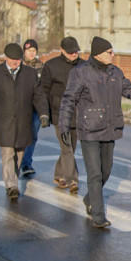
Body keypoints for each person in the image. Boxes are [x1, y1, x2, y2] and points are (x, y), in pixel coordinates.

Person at [59, 36, 131, 229]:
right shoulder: (81, 73)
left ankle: (90, 198)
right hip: (89, 130)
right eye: (109, 52)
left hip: (110, 129)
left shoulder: (115, 72)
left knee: (106, 171)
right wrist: (64, 126)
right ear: (98, 54)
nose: (113, 55)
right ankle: (98, 215)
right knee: (94, 173)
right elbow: (68, 99)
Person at [0, 43, 50, 200]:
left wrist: (44, 114)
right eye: (12, 59)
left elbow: (38, 95)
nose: (16, 62)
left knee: (19, 153)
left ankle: (13, 178)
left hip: (23, 120)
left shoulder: (30, 73)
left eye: (18, 59)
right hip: (4, 121)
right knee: (8, 153)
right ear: (6, 58)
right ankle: (11, 185)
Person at [41, 37, 83, 193]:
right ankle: (73, 179)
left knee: (71, 147)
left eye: (76, 51)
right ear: (62, 50)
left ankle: (59, 174)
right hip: (59, 113)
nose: (74, 54)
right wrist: (44, 113)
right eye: (70, 52)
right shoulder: (51, 66)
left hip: (78, 113)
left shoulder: (84, 66)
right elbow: (44, 90)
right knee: (67, 148)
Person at [19, 38, 44, 178]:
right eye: (29, 50)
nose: (31, 53)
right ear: (24, 51)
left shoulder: (41, 67)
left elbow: (44, 88)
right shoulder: (18, 64)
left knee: (33, 135)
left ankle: (26, 163)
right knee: (20, 135)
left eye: (34, 50)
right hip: (20, 107)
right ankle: (17, 161)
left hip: (35, 108)